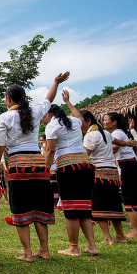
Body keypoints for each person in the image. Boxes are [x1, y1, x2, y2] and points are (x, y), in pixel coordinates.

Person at [0, 72, 70, 262]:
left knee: (21, 209)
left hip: (18, 165)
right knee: (39, 208)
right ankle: (44, 250)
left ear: (8, 99)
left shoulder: (5, 117)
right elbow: (48, 100)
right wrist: (55, 83)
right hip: (38, 163)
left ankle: (27, 253)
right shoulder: (35, 112)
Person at [61, 96, 134, 244]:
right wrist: (127, 143)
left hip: (99, 172)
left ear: (88, 122)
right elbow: (118, 142)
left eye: (81, 124)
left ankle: (107, 238)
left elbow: (85, 156)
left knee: (99, 205)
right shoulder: (105, 133)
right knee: (114, 204)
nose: (79, 127)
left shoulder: (90, 136)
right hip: (112, 172)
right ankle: (120, 235)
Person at [43, 100, 97, 257]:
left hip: (68, 166)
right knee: (85, 208)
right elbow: (79, 116)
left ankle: (73, 248)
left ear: (48, 114)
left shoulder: (51, 126)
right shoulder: (74, 121)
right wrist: (68, 102)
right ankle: (91, 246)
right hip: (86, 165)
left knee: (71, 208)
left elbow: (51, 150)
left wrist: (45, 170)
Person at [103, 112, 137, 238]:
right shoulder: (119, 132)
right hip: (133, 165)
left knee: (130, 199)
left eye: (105, 120)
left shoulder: (116, 133)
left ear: (114, 122)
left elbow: (114, 148)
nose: (104, 122)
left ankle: (136, 231)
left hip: (127, 166)